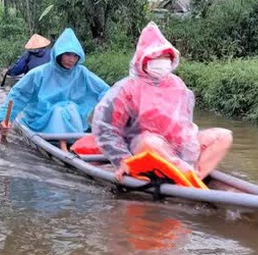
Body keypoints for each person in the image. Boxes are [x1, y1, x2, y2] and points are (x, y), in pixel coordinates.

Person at [92, 22, 232, 181]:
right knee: (150, 141)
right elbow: (106, 128)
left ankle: (196, 174)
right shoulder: (128, 88)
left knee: (223, 136)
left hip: (176, 146)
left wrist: (189, 147)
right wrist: (122, 159)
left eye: (166, 57)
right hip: (142, 145)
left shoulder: (177, 84)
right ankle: (186, 175)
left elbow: (186, 124)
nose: (162, 61)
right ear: (143, 60)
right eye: (156, 57)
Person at [0, 28, 110, 150]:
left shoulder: (81, 72)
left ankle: (75, 143)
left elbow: (106, 92)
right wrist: (4, 120)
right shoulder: (39, 73)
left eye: (75, 56)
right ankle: (64, 148)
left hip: (72, 119)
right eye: (67, 54)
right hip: (41, 119)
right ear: (59, 54)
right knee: (60, 110)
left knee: (68, 108)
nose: (72, 60)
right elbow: (18, 95)